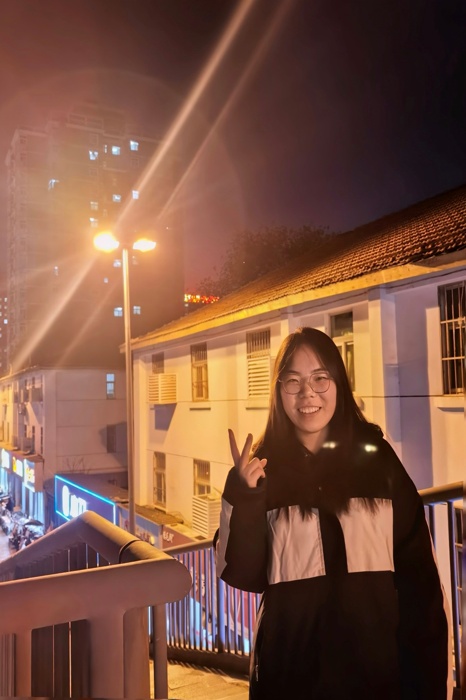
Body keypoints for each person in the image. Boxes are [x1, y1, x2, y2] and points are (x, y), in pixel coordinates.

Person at [215, 327, 451, 699]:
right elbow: (239, 573)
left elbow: (421, 585)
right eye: (293, 381)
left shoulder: (378, 462)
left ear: (339, 383)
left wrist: (428, 685)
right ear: (278, 391)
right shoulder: (262, 471)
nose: (307, 393)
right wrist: (244, 496)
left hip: (379, 682)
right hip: (288, 683)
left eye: (320, 378)